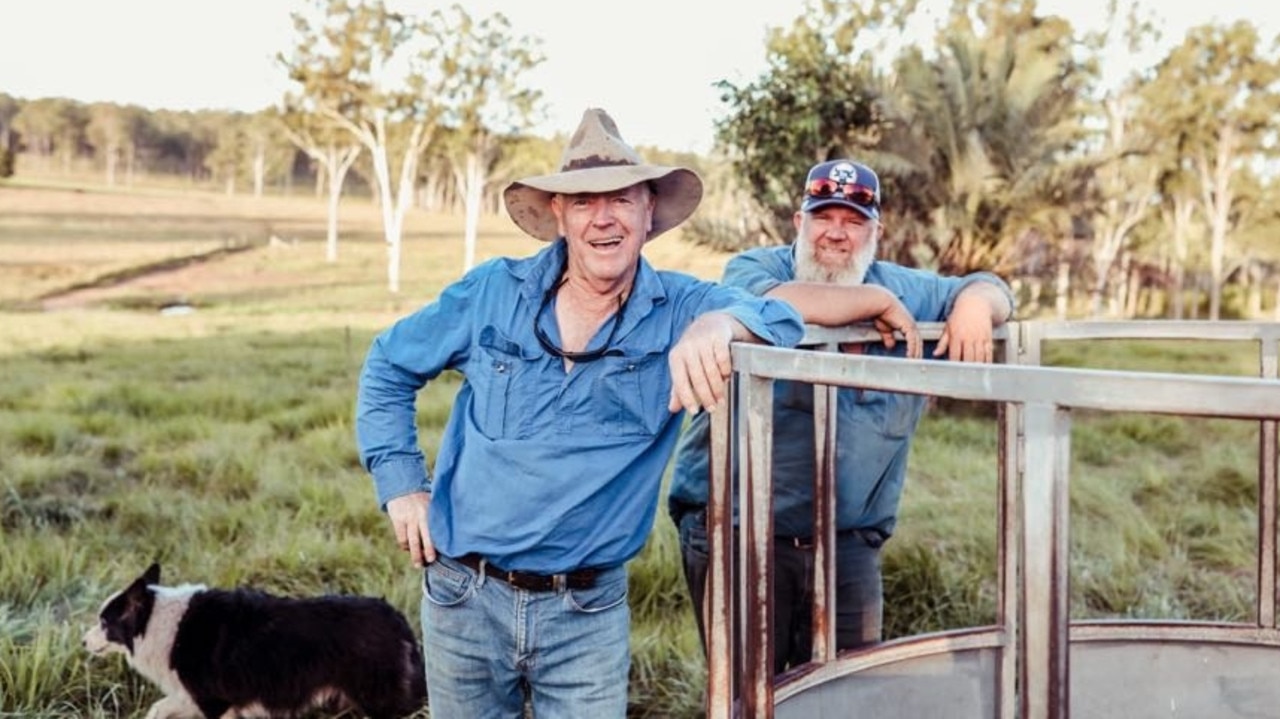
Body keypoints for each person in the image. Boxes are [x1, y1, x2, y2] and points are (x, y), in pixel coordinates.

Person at [354, 108, 804, 719]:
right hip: (464, 596)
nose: (604, 218)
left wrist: (722, 323)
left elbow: (783, 320)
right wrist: (403, 485)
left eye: (621, 199)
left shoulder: (682, 306)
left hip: (586, 614)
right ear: (559, 216)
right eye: (584, 201)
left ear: (649, 214)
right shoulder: (492, 292)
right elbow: (388, 365)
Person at [667, 158, 1015, 675]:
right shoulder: (757, 269)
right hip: (737, 531)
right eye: (823, 217)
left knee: (848, 693)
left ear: (876, 231)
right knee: (745, 693)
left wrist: (974, 304)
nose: (836, 233)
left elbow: (991, 287)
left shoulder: (907, 287)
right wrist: (870, 301)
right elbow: (764, 304)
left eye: (853, 221)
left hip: (849, 543)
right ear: (798, 223)